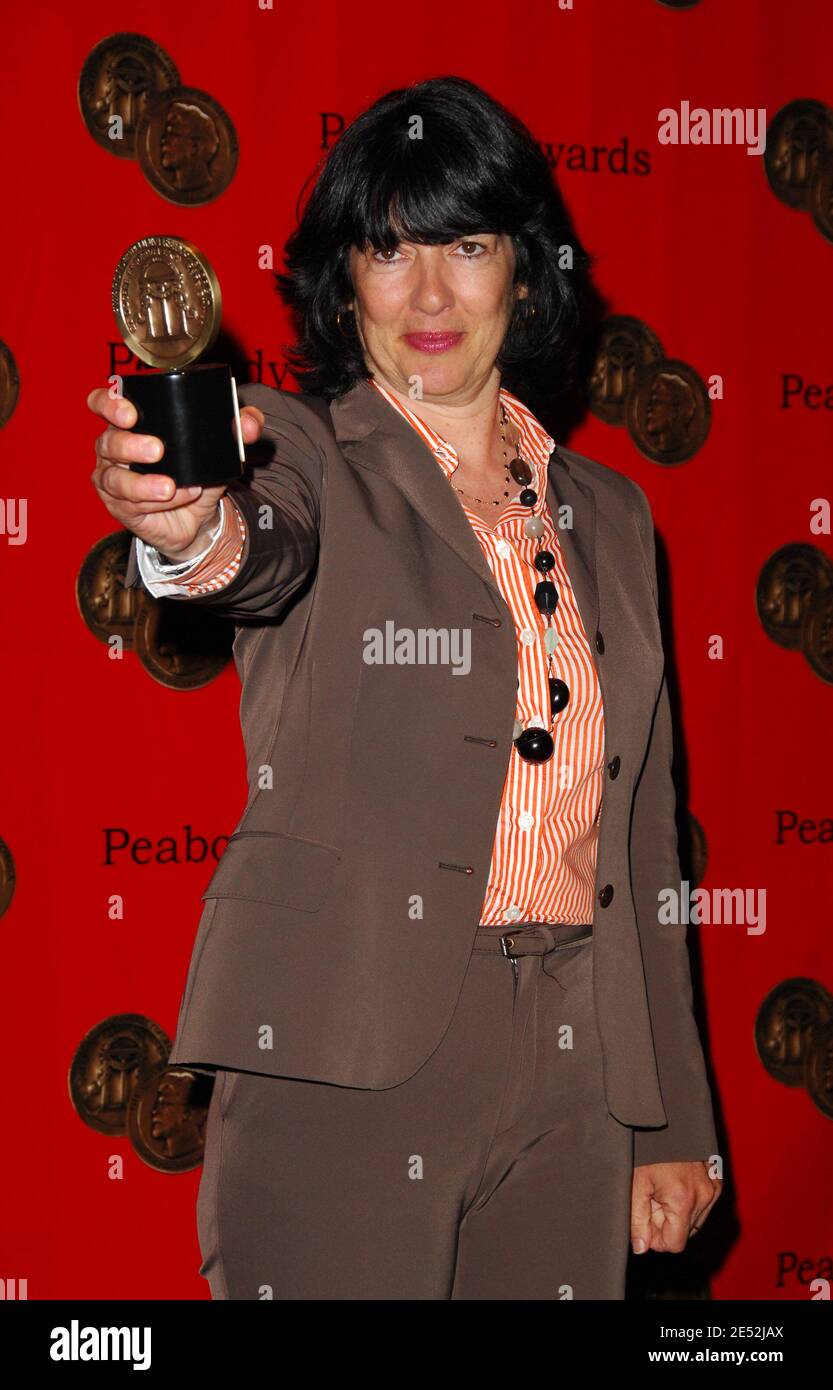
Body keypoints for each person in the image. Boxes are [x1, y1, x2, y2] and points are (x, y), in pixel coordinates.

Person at [88, 75, 722, 1300]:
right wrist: (182, 522)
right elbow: (245, 551)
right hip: (346, 1042)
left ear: (525, 273)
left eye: (465, 246)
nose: (428, 293)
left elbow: (643, 842)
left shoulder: (615, 515)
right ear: (343, 284)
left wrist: (668, 1118)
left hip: (576, 1073)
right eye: (386, 249)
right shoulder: (303, 447)